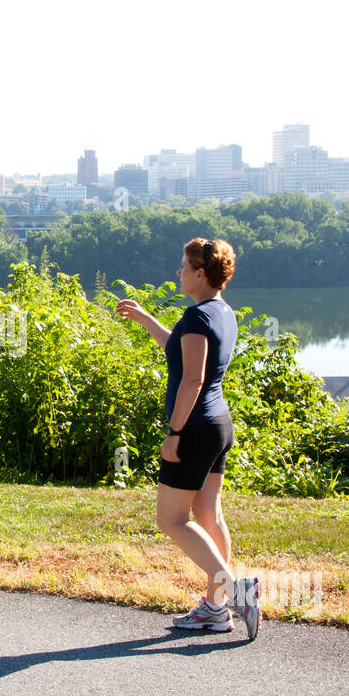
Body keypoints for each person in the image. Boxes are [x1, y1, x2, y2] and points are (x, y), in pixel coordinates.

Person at [116, 237, 259, 640]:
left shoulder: (197, 319)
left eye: (183, 266)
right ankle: (216, 609)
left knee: (171, 519)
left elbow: (192, 379)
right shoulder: (220, 312)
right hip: (218, 425)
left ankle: (234, 589)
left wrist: (174, 434)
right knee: (208, 515)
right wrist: (146, 320)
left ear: (200, 273)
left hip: (194, 429)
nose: (178, 272)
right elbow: (180, 353)